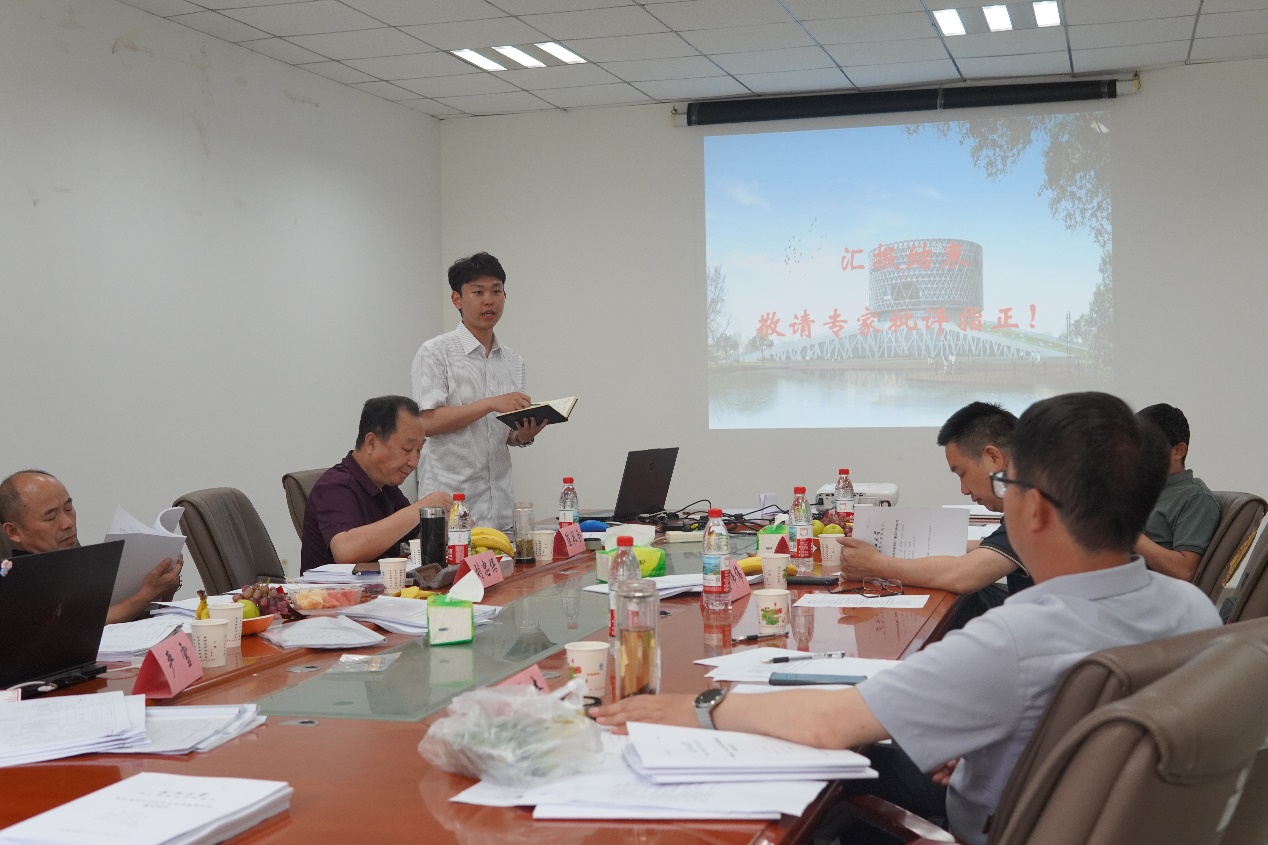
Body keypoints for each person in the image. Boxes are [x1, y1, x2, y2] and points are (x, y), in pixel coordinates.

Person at [594, 392, 1221, 845]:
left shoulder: (1016, 636)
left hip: (987, 823)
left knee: (845, 760)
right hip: (1088, 816)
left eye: (1008, 486)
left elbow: (827, 724)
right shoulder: (1194, 610)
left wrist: (697, 706)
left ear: (1034, 509)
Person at [837, 402, 1032, 626]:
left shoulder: (1032, 503)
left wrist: (875, 564)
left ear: (993, 457)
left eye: (963, 474)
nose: (964, 489)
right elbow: (995, 547)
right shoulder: (1030, 489)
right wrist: (889, 548)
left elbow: (965, 575)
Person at [411, 252, 548, 530]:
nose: (489, 300)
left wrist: (523, 435)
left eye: (496, 291)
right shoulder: (435, 352)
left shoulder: (513, 361)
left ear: (505, 296)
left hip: (501, 509)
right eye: (478, 292)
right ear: (457, 299)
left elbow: (505, 435)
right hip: (448, 507)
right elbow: (426, 423)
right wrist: (490, 403)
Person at [0, 470, 182, 624]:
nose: (67, 523)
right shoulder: (16, 583)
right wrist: (146, 596)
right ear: (14, 531)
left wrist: (164, 589)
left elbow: (137, 624)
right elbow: (75, 626)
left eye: (69, 509)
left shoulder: (79, 564)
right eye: (51, 517)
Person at [301, 395, 452, 573]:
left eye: (419, 450)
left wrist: (449, 525)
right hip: (334, 590)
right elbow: (346, 552)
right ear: (371, 443)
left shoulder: (386, 485)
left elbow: (416, 534)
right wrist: (420, 508)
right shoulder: (335, 486)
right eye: (407, 449)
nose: (413, 462)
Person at [1134, 403, 1221, 581]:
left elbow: (1183, 571)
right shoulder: (1136, 491)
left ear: (1178, 451)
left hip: (1140, 591)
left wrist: (1125, 534)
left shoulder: (1195, 497)